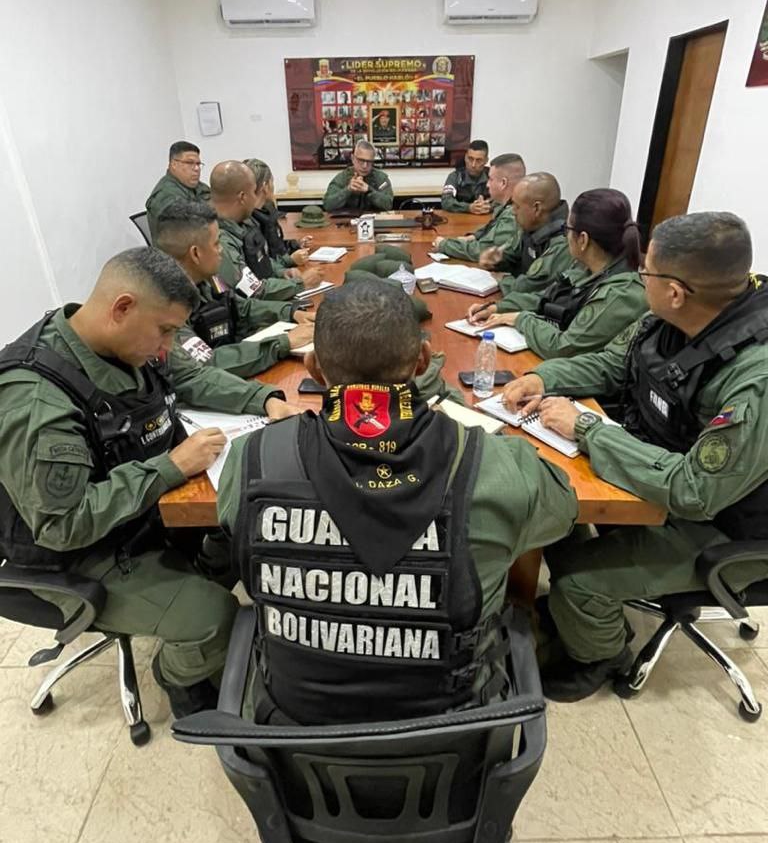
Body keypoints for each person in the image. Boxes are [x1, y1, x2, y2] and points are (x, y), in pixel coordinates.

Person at [216, 279, 578, 725]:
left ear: (313, 369)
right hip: (453, 731)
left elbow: (235, 527)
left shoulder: (253, 461)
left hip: (294, 731)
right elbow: (562, 513)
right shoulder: (495, 466)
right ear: (423, 362)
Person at [0, 247, 298, 719]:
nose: (166, 347)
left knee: (244, 535)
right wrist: (171, 467)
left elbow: (193, 377)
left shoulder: (132, 342)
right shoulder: (39, 401)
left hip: (144, 514)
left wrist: (265, 400)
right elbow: (63, 524)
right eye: (164, 332)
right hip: (83, 554)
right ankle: (180, 679)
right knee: (212, 616)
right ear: (122, 308)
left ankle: (191, 588)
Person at [500, 212, 768, 702]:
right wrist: (545, 379)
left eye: (646, 271)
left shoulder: (756, 379)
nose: (638, 277)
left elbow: (696, 491)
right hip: (659, 469)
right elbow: (611, 363)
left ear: (675, 290)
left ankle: (602, 657)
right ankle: (576, 612)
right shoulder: (667, 321)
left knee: (578, 583)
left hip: (725, 525)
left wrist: (587, 430)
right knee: (557, 521)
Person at [473, 189, 648, 358]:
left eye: (567, 229)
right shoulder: (589, 268)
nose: (565, 236)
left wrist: (521, 320)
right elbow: (545, 298)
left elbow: (563, 347)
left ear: (583, 240)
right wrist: (498, 307)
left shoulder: (621, 294)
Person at [155, 201, 314, 376]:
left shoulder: (208, 279)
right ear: (195, 253)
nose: (221, 250)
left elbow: (242, 308)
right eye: (216, 244)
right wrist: (284, 343)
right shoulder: (165, 308)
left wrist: (291, 312)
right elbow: (207, 362)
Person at [207, 161, 321, 301]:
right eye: (253, 192)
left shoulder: (245, 222)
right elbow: (253, 290)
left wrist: (281, 272)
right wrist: (300, 283)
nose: (255, 198)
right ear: (243, 197)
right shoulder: (219, 240)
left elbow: (260, 260)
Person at [467, 172, 571, 320]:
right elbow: (513, 254)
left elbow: (524, 288)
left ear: (537, 208)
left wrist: (503, 279)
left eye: (516, 206)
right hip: (518, 306)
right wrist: (496, 261)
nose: (513, 211)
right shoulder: (532, 225)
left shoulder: (561, 243)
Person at [433, 153, 526, 262]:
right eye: (470, 158)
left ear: (503, 183)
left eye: (491, 179)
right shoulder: (506, 206)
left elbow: (484, 251)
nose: (487, 184)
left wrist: (445, 245)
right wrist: (474, 236)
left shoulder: (514, 214)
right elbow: (491, 227)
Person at [242, 158, 314, 272]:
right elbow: (261, 263)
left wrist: (295, 244)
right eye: (272, 181)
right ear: (265, 186)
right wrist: (290, 260)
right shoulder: (248, 221)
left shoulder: (267, 212)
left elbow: (275, 246)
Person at [145, 142, 210, 241]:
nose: (197, 169)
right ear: (174, 164)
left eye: (198, 164)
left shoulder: (197, 186)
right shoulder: (165, 194)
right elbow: (190, 227)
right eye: (189, 163)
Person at [322, 140, 394, 212]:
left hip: (373, 220)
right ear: (353, 158)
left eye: (369, 161)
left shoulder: (381, 178)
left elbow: (388, 205)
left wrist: (369, 190)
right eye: (361, 160)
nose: (365, 166)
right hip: (347, 221)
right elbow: (327, 205)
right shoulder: (342, 178)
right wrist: (348, 190)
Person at [441, 141, 491, 215]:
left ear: (486, 161)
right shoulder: (455, 176)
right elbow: (446, 202)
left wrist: (488, 206)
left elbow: (503, 200)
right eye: (470, 159)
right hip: (461, 220)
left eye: (479, 160)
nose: (473, 165)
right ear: (465, 158)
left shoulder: (492, 176)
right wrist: (468, 207)